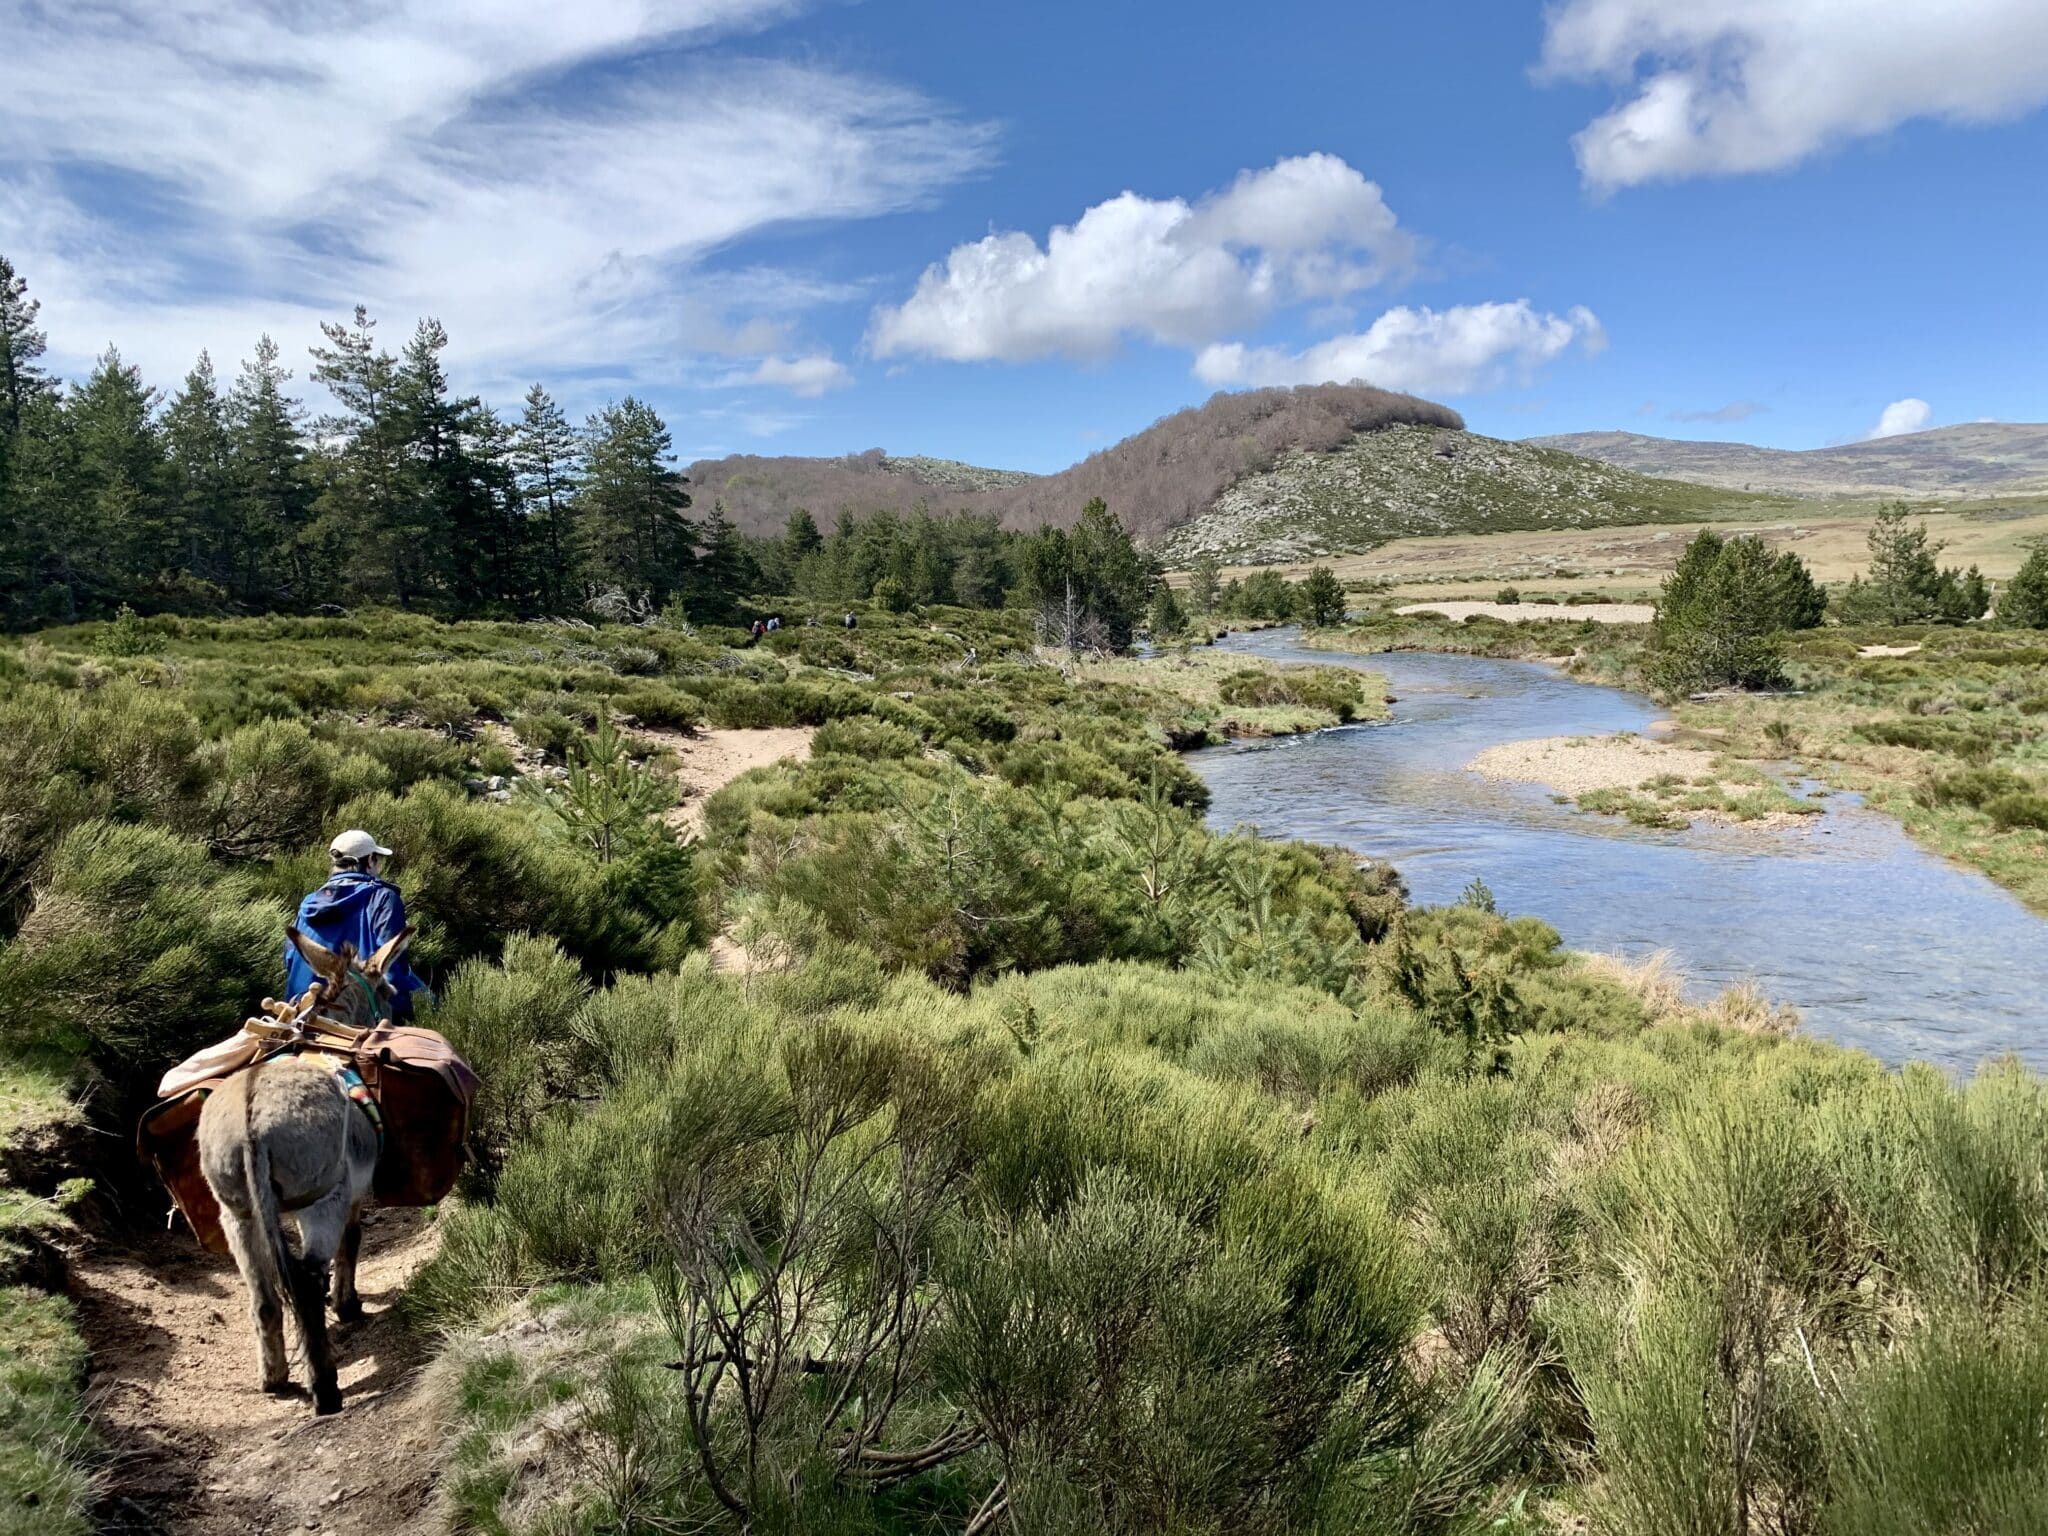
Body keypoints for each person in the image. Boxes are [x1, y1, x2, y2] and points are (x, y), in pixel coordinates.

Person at [284, 830, 426, 1020]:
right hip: (360, 1013)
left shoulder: (308, 903)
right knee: (428, 1001)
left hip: (304, 1010)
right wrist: (403, 1010)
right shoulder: (383, 898)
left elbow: (290, 957)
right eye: (377, 860)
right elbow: (393, 966)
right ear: (369, 861)